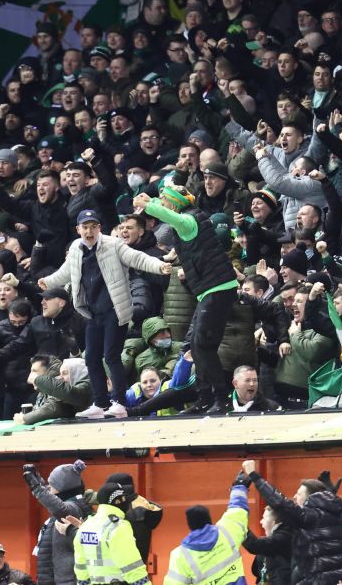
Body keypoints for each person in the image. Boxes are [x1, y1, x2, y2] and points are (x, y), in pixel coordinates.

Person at [39, 209, 171, 418]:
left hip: (115, 310)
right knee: (91, 358)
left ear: (99, 228)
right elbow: (65, 272)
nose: (89, 231)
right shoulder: (75, 248)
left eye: (93, 227)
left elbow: (137, 258)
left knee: (111, 356)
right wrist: (48, 281)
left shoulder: (113, 244)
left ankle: (119, 402)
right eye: (85, 227)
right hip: (93, 312)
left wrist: (159, 265)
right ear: (78, 229)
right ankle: (100, 403)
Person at [135, 184, 238, 414]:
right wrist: (151, 200)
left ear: (174, 204)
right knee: (197, 346)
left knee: (203, 345)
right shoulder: (187, 220)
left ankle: (221, 398)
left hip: (218, 287)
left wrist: (148, 206)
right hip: (210, 290)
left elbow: (170, 216)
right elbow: (171, 216)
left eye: (165, 200)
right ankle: (204, 398)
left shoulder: (189, 221)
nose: (162, 204)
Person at [166, 463, 250, 585]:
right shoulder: (227, 531)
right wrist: (239, 486)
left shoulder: (180, 555)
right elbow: (238, 508)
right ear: (209, 519)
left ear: (190, 525)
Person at [23, 461, 91, 585]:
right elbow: (53, 498)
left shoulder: (72, 508)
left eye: (51, 485)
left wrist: (37, 488)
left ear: (62, 488)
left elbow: (58, 506)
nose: (48, 488)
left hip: (68, 581)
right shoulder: (77, 502)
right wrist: (39, 481)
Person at [73, 482, 150, 585]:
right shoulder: (118, 527)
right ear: (118, 501)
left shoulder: (85, 526)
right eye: (125, 499)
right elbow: (132, 567)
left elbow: (81, 567)